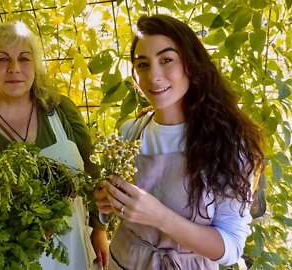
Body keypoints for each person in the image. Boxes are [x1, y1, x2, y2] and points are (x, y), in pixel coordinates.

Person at [94, 14, 265, 269]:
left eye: (166, 60)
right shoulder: (130, 132)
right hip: (124, 260)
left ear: (191, 65)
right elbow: (111, 204)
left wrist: (160, 217)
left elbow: (231, 247)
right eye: (142, 64)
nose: (154, 76)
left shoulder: (228, 144)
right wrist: (106, 201)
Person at [0, 21, 109, 269]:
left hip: (74, 253)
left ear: (36, 67)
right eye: (2, 59)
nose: (14, 68)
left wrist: (99, 230)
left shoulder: (60, 112)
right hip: (11, 262)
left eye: (24, 58)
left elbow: (92, 172)